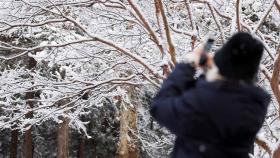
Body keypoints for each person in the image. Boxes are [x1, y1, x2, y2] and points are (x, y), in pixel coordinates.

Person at [150, 32, 270, 158]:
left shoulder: (205, 102)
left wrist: (188, 65)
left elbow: (160, 107)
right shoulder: (255, 105)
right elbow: (219, 97)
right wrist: (211, 76)